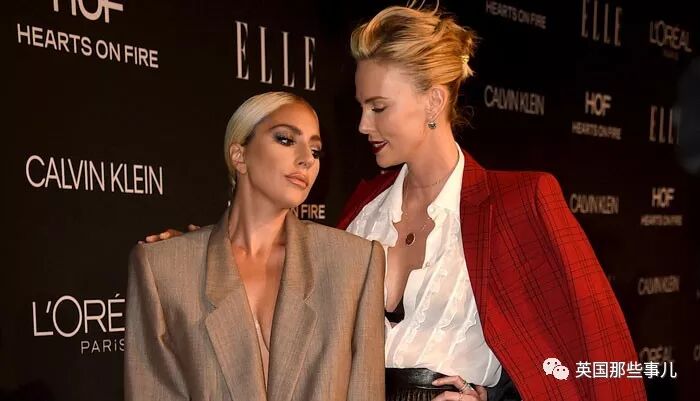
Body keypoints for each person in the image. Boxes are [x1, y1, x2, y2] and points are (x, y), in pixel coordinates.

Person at [146, 5, 647, 401]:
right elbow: (285, 300)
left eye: (379, 107)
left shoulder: (520, 201)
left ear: (433, 101)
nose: (363, 125)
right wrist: (201, 260)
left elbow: (601, 355)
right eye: (361, 107)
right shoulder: (363, 210)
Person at [125, 91, 386, 401]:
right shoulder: (163, 268)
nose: (307, 159)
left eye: (315, 150)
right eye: (286, 139)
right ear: (239, 156)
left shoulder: (354, 264)